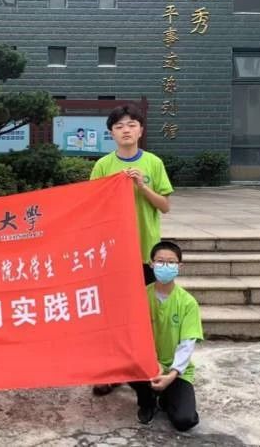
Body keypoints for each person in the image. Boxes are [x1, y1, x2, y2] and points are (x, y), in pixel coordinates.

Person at [90, 104, 173, 396]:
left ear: (141, 130)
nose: (126, 130)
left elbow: (164, 206)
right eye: (119, 126)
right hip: (113, 253)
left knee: (146, 313)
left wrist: (141, 187)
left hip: (146, 252)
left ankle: (147, 367)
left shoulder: (153, 163)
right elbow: (92, 205)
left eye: (131, 124)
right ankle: (112, 371)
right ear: (111, 133)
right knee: (113, 315)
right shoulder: (103, 165)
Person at [129, 240, 201, 431]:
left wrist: (172, 374)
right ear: (151, 264)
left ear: (179, 266)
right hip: (146, 364)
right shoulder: (140, 297)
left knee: (185, 420)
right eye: (160, 261)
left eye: (171, 262)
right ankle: (147, 402)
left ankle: (166, 397)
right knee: (127, 362)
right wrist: (152, 362)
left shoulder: (188, 303)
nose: (165, 266)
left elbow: (187, 344)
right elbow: (134, 336)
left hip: (176, 370)